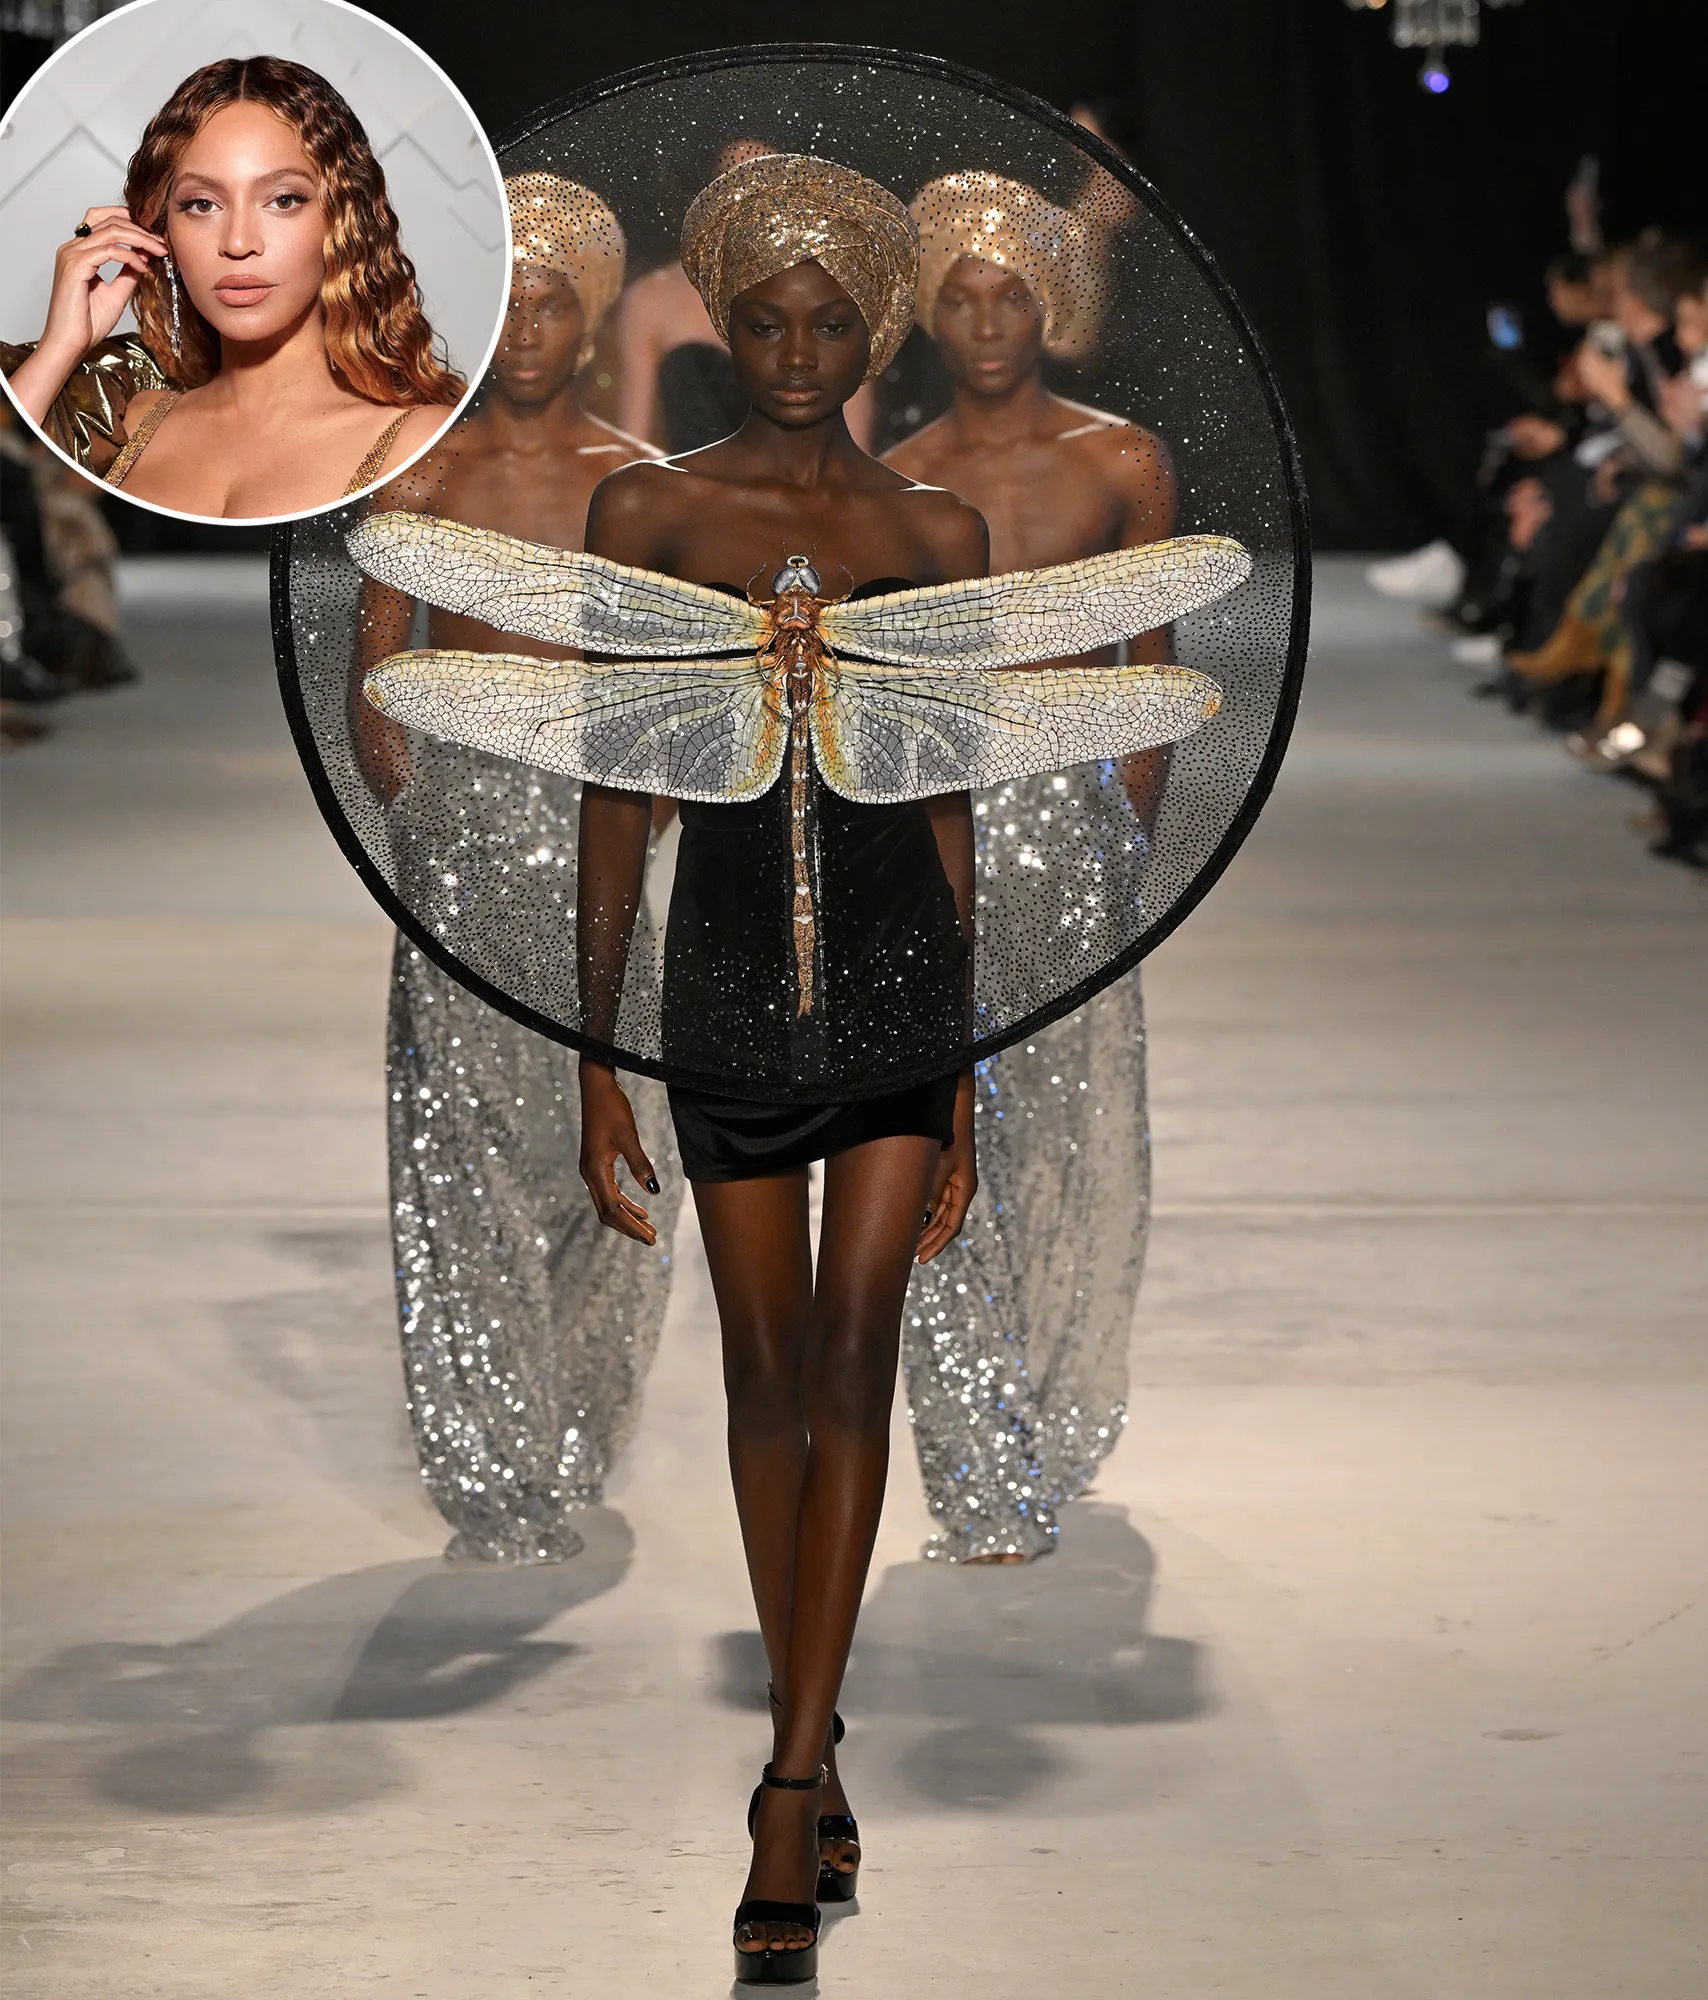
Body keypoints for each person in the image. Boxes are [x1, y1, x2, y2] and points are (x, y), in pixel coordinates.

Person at [573, 151, 986, 1980]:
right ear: (719, 330)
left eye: (830, 323)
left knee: (850, 1357)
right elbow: (617, 796)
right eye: (765, 321)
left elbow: (952, 809)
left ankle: (792, 1777)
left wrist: (967, 1074)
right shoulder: (645, 513)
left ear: (873, 333)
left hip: (901, 987)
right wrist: (593, 1053)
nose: (798, 350)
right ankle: (803, 1734)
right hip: (725, 980)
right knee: (759, 1373)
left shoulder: (939, 534)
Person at [351, 174, 679, 1565]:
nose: (528, 329)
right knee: (462, 1149)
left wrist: (645, 814)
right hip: (462, 846)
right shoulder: (422, 470)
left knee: (620, 1132)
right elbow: (377, 673)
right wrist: (428, 817)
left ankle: (577, 1422)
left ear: (589, 319)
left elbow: (677, 678)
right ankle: (494, 1459)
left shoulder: (640, 483)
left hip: (606, 831)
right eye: (506, 306)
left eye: (552, 304)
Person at [884, 170, 1172, 1561]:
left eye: (1012, 295)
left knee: (1075, 1142)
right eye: (962, 298)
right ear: (927, 316)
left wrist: (1121, 844)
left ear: (1049, 306)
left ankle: (1052, 1416)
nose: (990, 321)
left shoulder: (1123, 463)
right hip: (932, 822)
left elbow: (1153, 679)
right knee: (929, 1130)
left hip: (1073, 836)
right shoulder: (899, 477)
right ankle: (974, 1457)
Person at [2, 56, 461, 517]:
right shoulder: (127, 422)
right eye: (202, 204)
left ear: (342, 222)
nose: (239, 243)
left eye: (284, 200)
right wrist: (61, 346)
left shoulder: (424, 443)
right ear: (163, 234)